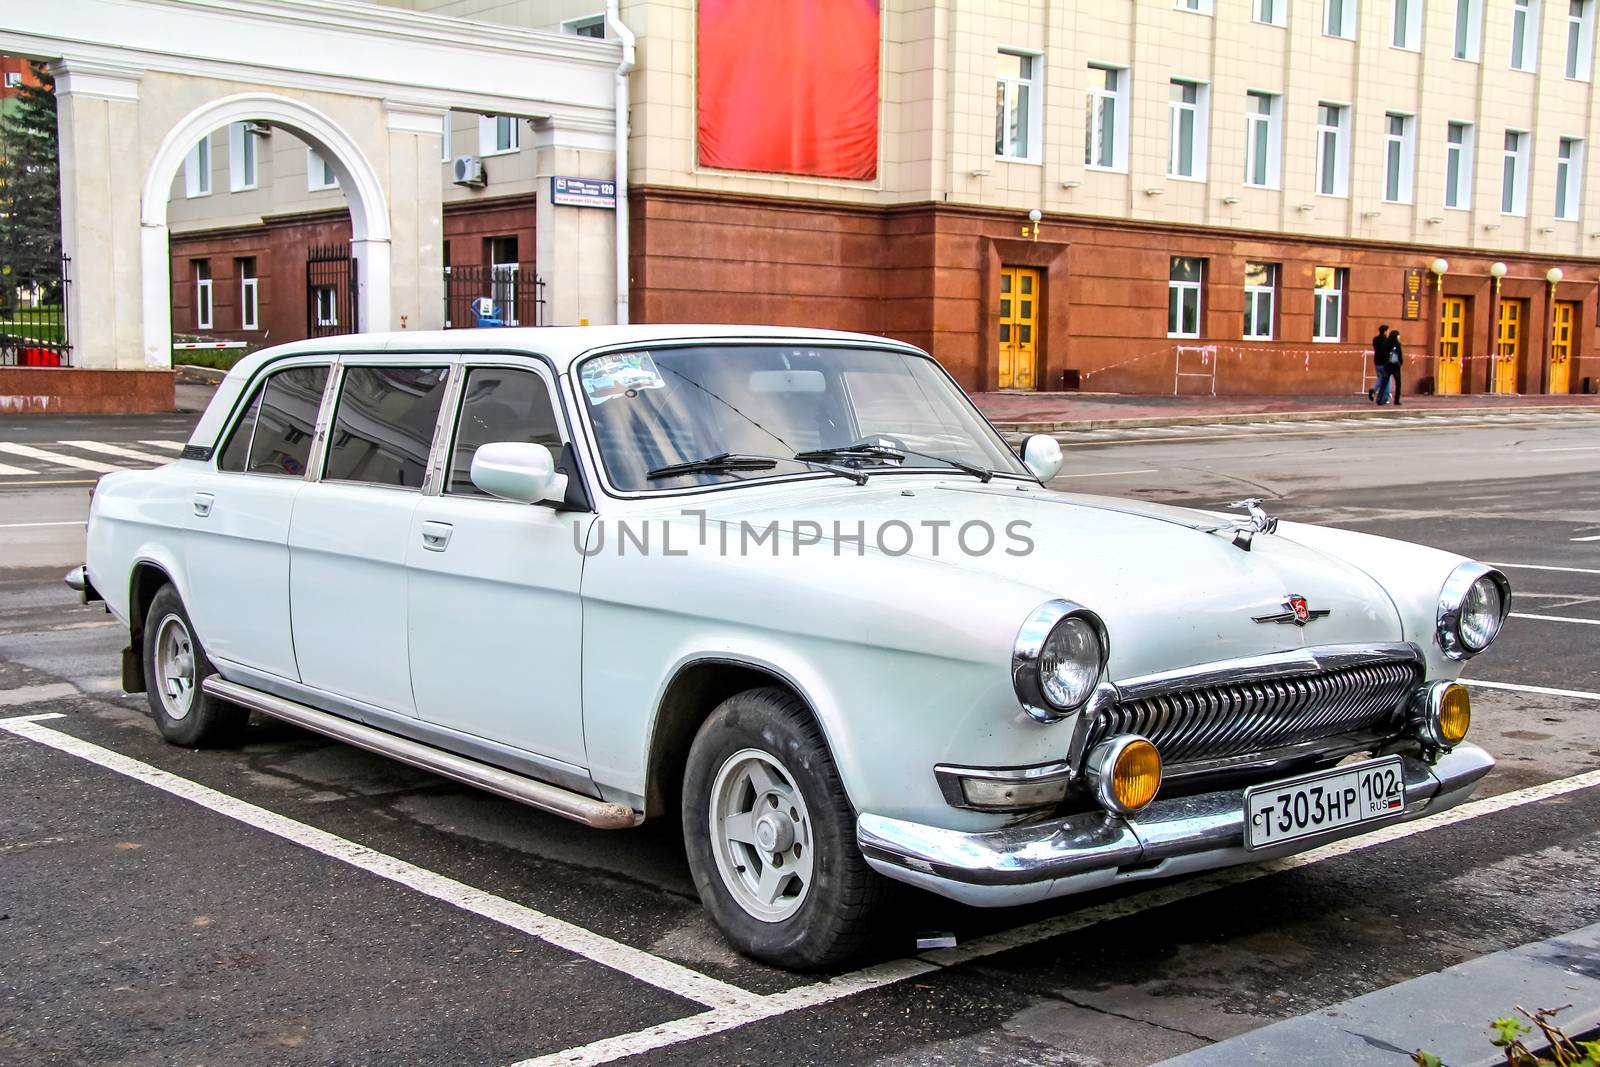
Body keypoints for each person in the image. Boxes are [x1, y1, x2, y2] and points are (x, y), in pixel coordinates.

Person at [1376, 330, 1404, 405]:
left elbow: (1383, 353)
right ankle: (1396, 400)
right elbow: (1400, 354)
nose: (1399, 337)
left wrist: (1385, 362)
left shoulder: (1386, 342)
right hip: (1395, 366)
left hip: (1387, 366)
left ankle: (1379, 399)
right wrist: (1400, 362)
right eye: (1398, 335)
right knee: (1398, 384)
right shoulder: (1397, 344)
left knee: (1384, 383)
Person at [1369, 324, 1390, 401]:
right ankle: (1384, 397)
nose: (1388, 332)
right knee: (1387, 380)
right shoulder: (1387, 340)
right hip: (1385, 362)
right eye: (1388, 331)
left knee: (1380, 378)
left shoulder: (1375, 339)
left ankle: (1374, 390)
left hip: (1377, 361)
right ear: (1385, 331)